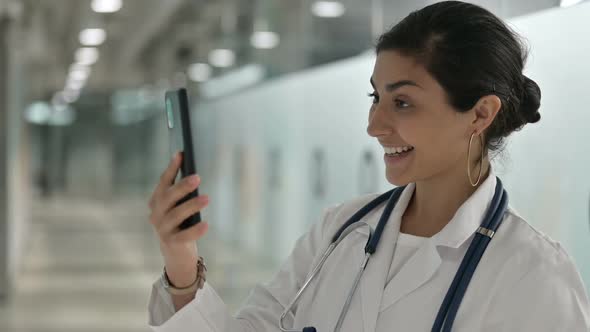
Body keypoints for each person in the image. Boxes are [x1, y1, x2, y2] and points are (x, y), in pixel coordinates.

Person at [146, 1, 590, 331]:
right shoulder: (340, 231)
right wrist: (182, 264)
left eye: (402, 102)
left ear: (479, 114)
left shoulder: (534, 275)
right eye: (375, 97)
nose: (374, 125)